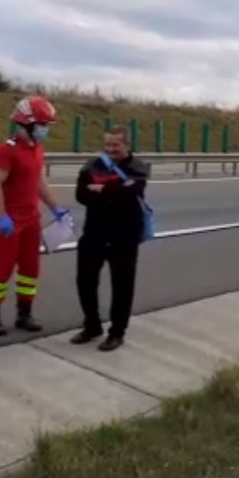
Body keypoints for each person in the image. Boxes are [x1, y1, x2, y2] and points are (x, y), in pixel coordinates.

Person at [0, 96, 68, 336]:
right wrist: (1, 216)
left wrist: (55, 208)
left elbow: (39, 182)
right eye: (43, 125)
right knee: (2, 270)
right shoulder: (5, 151)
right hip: (10, 221)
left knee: (31, 269)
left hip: (32, 219)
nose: (45, 130)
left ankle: (24, 314)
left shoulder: (36, 149)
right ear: (27, 125)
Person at [70, 126, 151, 352]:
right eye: (107, 144)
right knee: (85, 281)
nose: (111, 149)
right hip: (94, 233)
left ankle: (117, 332)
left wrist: (101, 190)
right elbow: (81, 195)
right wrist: (110, 191)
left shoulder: (139, 167)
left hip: (124, 235)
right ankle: (92, 326)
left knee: (122, 286)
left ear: (127, 145)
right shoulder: (92, 166)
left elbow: (129, 194)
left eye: (116, 144)